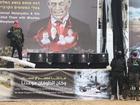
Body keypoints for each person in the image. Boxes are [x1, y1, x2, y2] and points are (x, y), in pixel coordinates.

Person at [28, 0, 93, 53]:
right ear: (48, 5)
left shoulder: (84, 28)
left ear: (69, 3)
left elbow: (87, 52)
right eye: (53, 4)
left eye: (61, 4)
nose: (57, 8)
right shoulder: (34, 27)